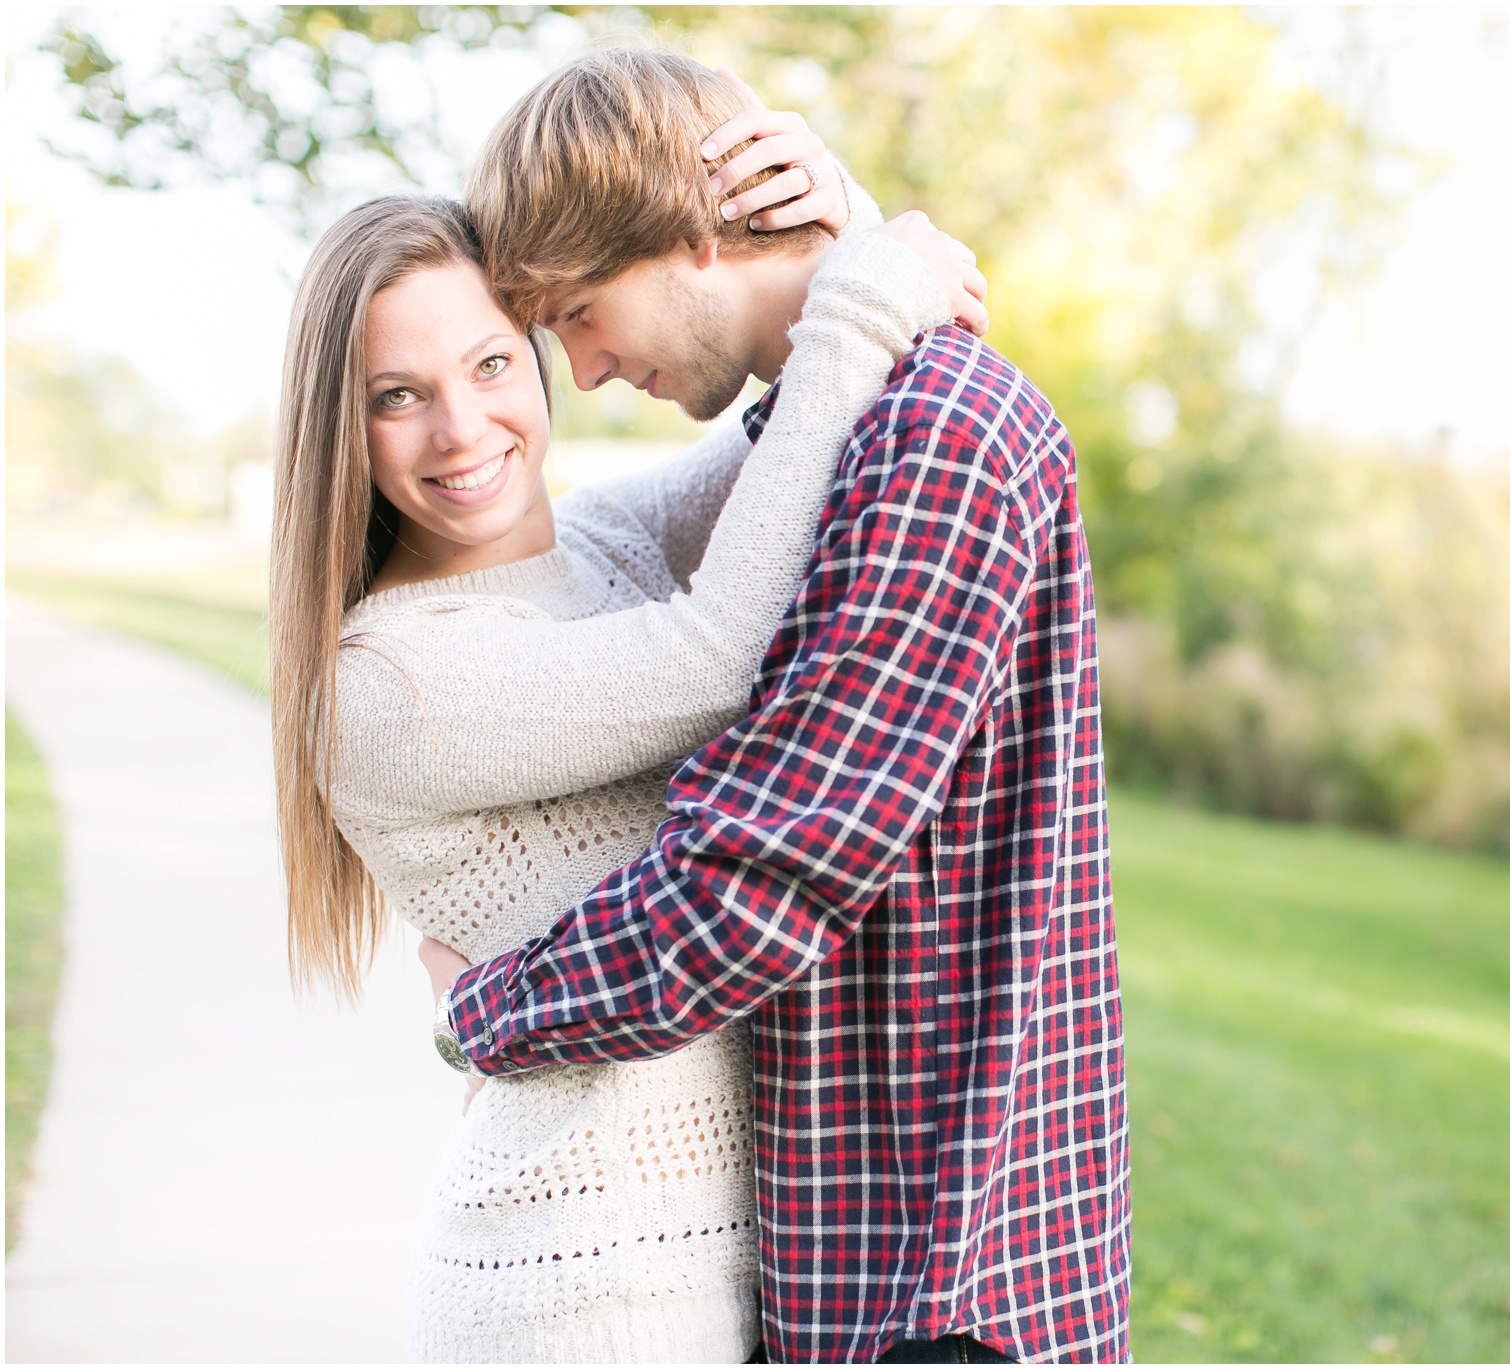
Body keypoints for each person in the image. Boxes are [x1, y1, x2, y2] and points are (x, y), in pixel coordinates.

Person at [270, 57, 988, 1361]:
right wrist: (859, 292)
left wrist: (833, 226)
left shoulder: (601, 538)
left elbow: (804, 422)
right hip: (579, 1298)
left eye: (493, 360)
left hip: (748, 1277)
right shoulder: (384, 685)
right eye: (397, 395)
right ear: (345, 429)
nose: (462, 425)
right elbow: (715, 651)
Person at [424, 45, 1130, 1365]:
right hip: (864, 1255)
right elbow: (769, 471)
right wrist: (853, 255)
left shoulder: (939, 442)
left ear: (695, 235)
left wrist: (488, 1008)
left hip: (938, 1275)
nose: (578, 370)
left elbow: (757, 881)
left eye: (577, 311)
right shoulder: (862, 430)